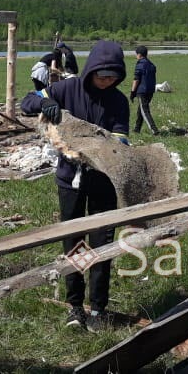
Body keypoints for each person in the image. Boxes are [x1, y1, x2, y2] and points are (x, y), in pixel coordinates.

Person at [21, 40, 130, 330]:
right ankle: (75, 306)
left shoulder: (119, 101)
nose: (107, 82)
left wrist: (109, 146)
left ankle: (98, 309)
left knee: (102, 243)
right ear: (91, 70)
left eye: (113, 77)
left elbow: (121, 136)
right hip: (70, 179)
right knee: (74, 242)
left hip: (104, 180)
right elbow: (27, 101)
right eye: (102, 76)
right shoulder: (66, 89)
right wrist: (45, 103)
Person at [130, 45, 158, 134]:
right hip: (150, 91)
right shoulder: (151, 64)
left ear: (139, 54)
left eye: (136, 54)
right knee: (140, 110)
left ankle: (154, 130)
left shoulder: (140, 64)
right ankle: (137, 129)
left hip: (142, 91)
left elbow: (136, 79)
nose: (136, 56)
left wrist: (132, 92)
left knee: (145, 111)